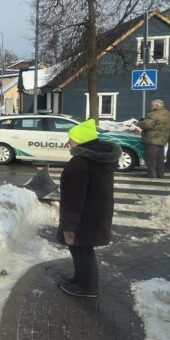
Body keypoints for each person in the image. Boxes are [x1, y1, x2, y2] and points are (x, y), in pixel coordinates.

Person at [56, 118, 120, 299]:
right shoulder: (97, 159)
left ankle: (88, 287)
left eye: (71, 139)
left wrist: (69, 225)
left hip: (83, 216)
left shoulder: (80, 163)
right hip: (96, 212)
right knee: (81, 248)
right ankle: (80, 278)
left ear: (81, 141)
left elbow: (73, 199)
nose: (68, 142)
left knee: (81, 249)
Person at [138, 99, 170, 178]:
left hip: (152, 138)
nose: (151, 106)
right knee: (160, 158)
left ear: (157, 106)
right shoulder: (167, 113)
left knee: (151, 158)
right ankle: (160, 173)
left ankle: (152, 173)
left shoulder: (153, 114)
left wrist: (140, 123)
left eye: (152, 105)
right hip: (162, 138)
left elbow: (148, 125)